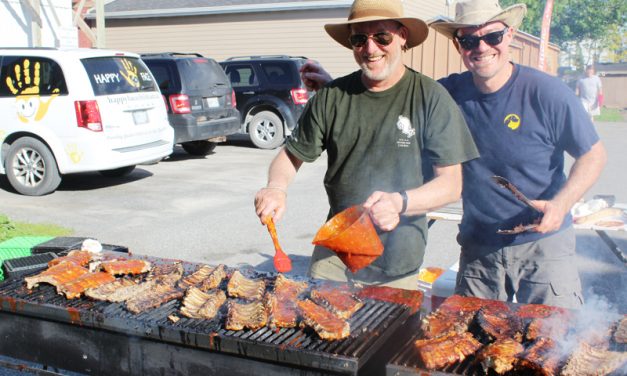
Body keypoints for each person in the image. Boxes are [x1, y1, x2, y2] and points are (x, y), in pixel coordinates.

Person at [301, 0, 607, 308]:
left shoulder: (546, 93)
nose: (481, 47)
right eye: (469, 39)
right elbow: (390, 93)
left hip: (543, 245)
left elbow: (593, 155)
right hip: (479, 247)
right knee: (473, 343)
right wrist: (335, 89)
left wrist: (561, 204)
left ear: (510, 35)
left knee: (553, 342)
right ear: (457, 44)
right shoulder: (447, 94)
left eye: (492, 37)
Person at [254, 0, 479, 289]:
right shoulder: (331, 96)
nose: (370, 49)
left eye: (382, 37)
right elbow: (290, 156)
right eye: (360, 39)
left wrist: (400, 202)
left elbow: (451, 184)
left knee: (391, 335)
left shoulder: (430, 97)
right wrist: (276, 188)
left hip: (397, 264)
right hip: (336, 254)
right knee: (318, 329)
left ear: (402, 37)